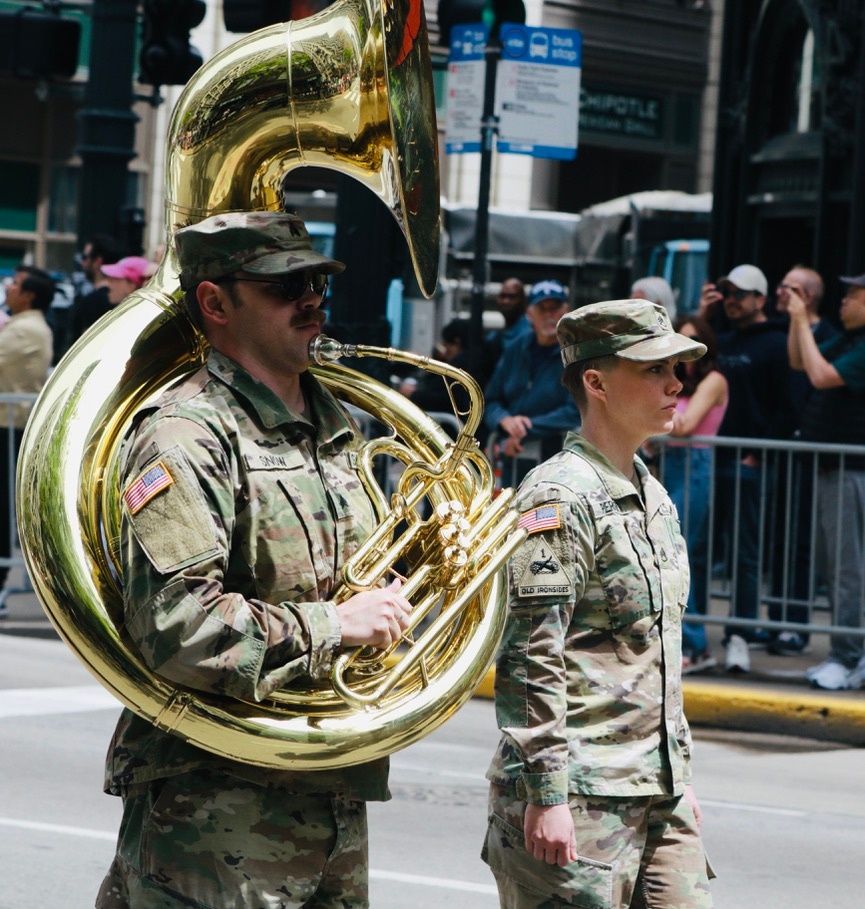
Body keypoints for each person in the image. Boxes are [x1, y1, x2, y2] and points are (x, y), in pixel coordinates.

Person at [96, 211, 415, 908]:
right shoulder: (186, 434)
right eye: (281, 285)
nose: (309, 298)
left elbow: (359, 581)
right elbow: (177, 626)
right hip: (214, 809)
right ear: (215, 302)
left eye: (313, 281)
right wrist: (336, 624)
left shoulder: (335, 426)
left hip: (329, 796)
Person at [482, 299, 713, 908]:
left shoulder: (653, 493)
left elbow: (655, 646)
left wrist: (676, 775)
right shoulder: (559, 495)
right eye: (653, 370)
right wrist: (545, 792)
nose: (674, 385)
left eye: (677, 369)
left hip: (654, 792)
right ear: (595, 381)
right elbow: (532, 654)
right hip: (578, 797)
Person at [703, 264, 797, 673]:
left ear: (760, 298)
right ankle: (693, 633)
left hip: (746, 462)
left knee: (745, 552)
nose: (732, 300)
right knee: (701, 548)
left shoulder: (776, 343)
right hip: (710, 460)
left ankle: (739, 634)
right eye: (727, 292)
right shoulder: (719, 341)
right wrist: (704, 321)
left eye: (740, 293)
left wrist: (759, 453)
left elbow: (789, 403)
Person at [788, 272, 865, 691]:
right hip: (834, 470)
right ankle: (849, 655)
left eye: (854, 295)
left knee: (847, 571)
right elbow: (801, 362)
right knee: (837, 568)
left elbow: (821, 377)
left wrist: (802, 319)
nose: (844, 301)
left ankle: (847, 656)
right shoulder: (851, 340)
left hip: (851, 473)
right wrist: (796, 321)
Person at [767, 265, 837, 656]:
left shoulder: (828, 337)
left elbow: (816, 379)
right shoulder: (790, 333)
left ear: (807, 296)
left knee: (803, 541)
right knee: (780, 537)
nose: (779, 293)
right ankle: (778, 620)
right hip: (786, 448)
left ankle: (796, 624)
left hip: (816, 451)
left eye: (788, 287)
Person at [664, 315, 728, 673]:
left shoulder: (714, 380)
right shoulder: (680, 385)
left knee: (681, 557)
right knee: (678, 557)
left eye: (691, 342)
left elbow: (685, 426)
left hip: (696, 466)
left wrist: (638, 412)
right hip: (672, 464)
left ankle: (695, 643)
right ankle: (688, 641)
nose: (684, 350)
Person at [483, 279, 581, 485]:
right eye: (541, 309)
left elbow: (576, 411)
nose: (548, 315)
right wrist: (504, 421)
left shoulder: (576, 355)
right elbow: (491, 399)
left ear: (566, 311)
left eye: (554, 308)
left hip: (558, 464)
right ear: (529, 314)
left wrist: (524, 430)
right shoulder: (516, 348)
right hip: (515, 461)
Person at [0, 266, 54, 617]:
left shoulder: (26, 330)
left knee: (2, 511)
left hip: (9, 427)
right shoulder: (23, 327)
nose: (9, 288)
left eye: (16, 285)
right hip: (8, 426)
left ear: (30, 295)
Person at [70, 234, 123, 345]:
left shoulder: (91, 302)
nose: (82, 262)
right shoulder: (123, 298)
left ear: (97, 261)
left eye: (85, 257)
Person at [484, 277, 532, 374]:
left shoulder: (529, 334)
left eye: (512, 297)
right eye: (502, 296)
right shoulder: (494, 337)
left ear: (523, 300)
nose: (506, 301)